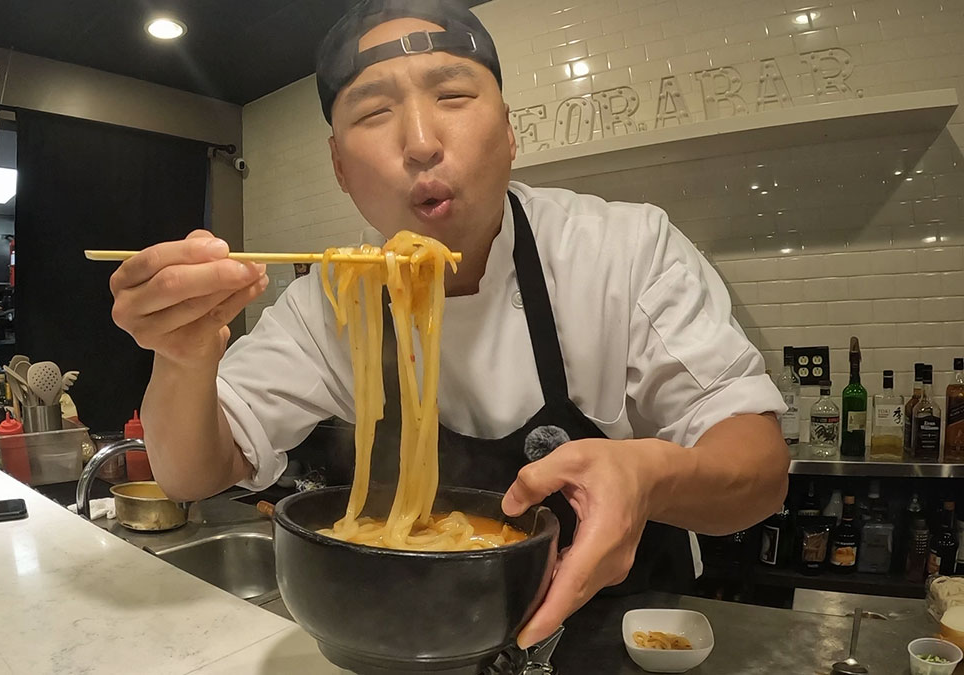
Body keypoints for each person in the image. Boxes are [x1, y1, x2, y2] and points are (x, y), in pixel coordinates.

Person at [109, 0, 789, 651]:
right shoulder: (332, 301)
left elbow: (760, 472)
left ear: (510, 130)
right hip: (428, 635)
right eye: (375, 112)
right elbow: (193, 472)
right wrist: (183, 357)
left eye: (454, 97)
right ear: (341, 168)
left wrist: (653, 476)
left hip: (625, 634)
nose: (422, 141)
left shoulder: (622, 250)